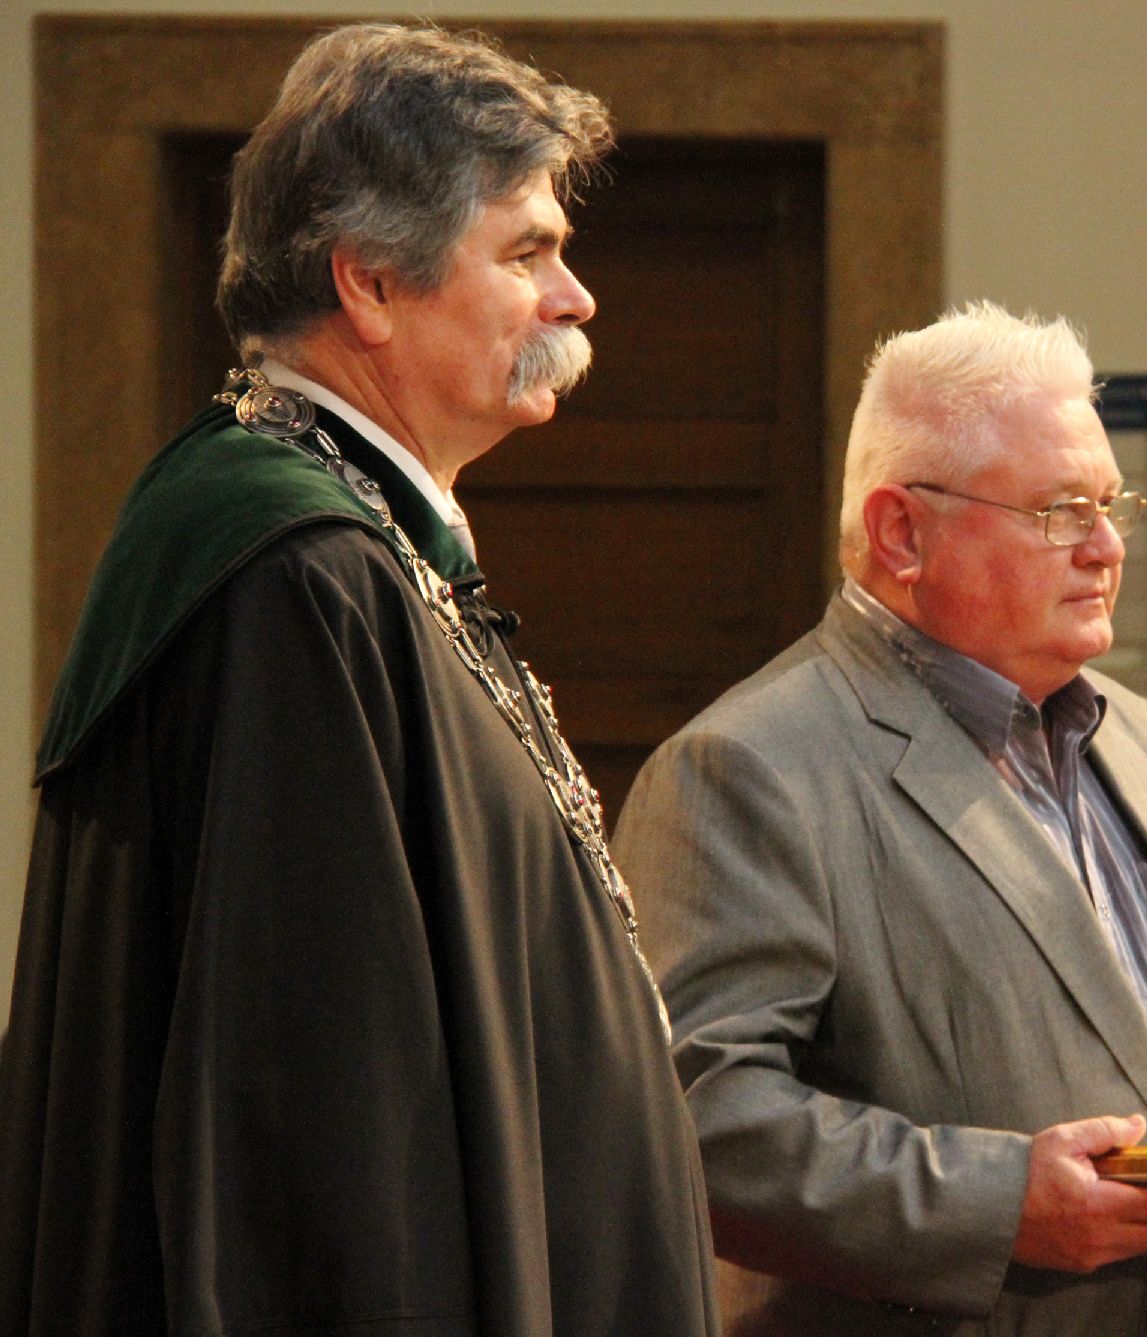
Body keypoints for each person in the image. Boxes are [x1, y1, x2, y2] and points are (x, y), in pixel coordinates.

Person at [0, 24, 717, 1335]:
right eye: (527, 254)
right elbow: (316, 1128)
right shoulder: (296, 577)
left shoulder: (362, 543)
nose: (575, 299)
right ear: (371, 281)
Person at [613, 302, 1147, 1335]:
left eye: (1110, 505)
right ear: (902, 532)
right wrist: (993, 1204)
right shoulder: (750, 766)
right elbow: (697, 1116)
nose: (1104, 547)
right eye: (1060, 511)